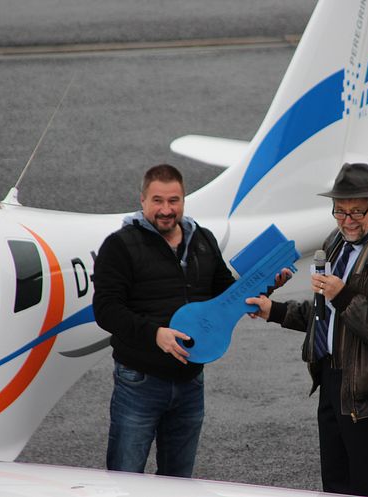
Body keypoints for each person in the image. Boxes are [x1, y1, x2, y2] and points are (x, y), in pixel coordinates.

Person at [247, 162, 368, 497]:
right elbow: (325, 314)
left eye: (356, 211)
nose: (347, 220)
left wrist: (344, 295)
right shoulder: (337, 242)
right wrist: (275, 311)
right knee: (334, 487)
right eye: (339, 211)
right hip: (332, 380)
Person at [93, 164, 235, 477]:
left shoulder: (203, 240)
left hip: (190, 381)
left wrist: (265, 285)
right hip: (139, 383)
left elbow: (225, 294)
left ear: (183, 200)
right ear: (142, 200)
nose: (166, 210)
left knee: (178, 483)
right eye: (158, 201)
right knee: (125, 480)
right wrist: (154, 334)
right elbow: (105, 309)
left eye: (174, 201)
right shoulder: (120, 246)